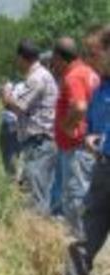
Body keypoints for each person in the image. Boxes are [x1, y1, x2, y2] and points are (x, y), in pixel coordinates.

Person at [65, 25, 110, 275]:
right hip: (102, 172)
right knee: (82, 241)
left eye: (94, 53)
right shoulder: (101, 89)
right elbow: (92, 127)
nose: (89, 60)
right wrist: (90, 139)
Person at [50, 37, 101, 237]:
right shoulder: (89, 72)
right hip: (84, 147)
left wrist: (66, 124)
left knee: (76, 197)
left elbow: (79, 106)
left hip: (75, 149)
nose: (53, 65)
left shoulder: (73, 76)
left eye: (54, 60)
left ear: (61, 58)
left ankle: (80, 246)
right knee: (82, 195)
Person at [2, 40, 59, 216]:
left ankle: (40, 237)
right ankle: (37, 233)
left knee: (37, 194)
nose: (16, 63)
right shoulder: (41, 75)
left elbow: (18, 106)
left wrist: (6, 94)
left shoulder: (36, 78)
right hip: (38, 142)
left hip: (39, 142)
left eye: (17, 59)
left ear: (22, 58)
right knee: (34, 189)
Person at [0, 81, 26, 179]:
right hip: (22, 125)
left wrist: (6, 94)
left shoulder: (12, 85)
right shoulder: (29, 84)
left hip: (10, 122)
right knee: (20, 154)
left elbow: (6, 100)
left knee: (9, 155)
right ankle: (19, 178)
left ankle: (13, 179)